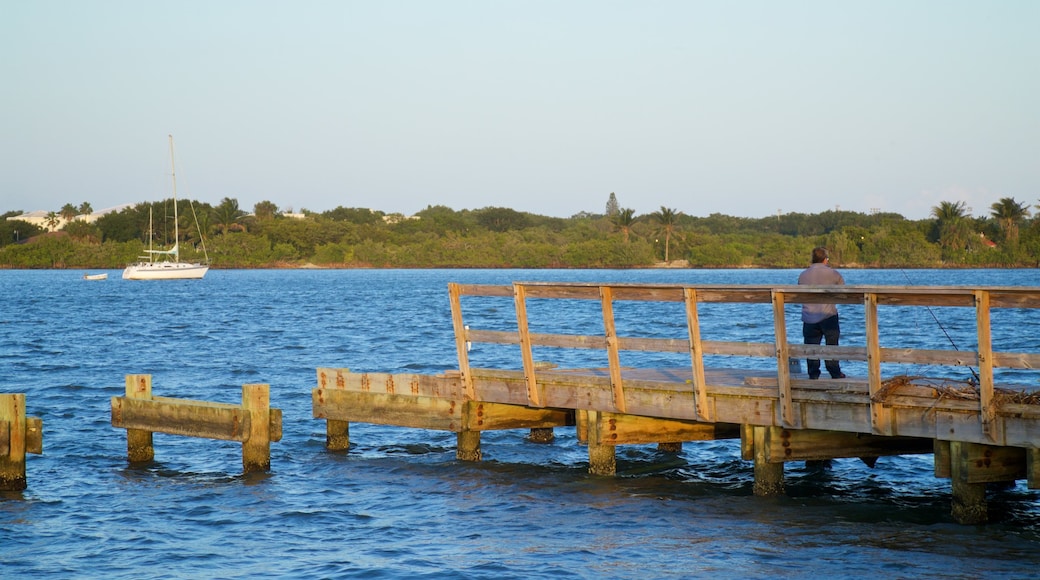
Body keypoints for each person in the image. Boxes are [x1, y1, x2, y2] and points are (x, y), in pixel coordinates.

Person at [798, 247, 845, 379]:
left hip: (809, 316)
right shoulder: (833, 274)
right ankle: (834, 372)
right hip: (828, 315)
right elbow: (843, 291)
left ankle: (813, 374)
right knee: (832, 344)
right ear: (825, 259)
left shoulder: (803, 275)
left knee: (811, 346)